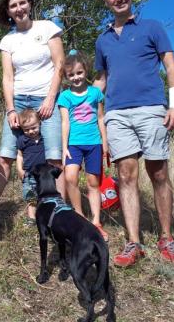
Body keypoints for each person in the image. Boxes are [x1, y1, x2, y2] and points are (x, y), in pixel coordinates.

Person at [94, 0, 174, 267]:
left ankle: (166, 237)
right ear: (106, 1)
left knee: (158, 173)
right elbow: (101, 80)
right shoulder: (103, 39)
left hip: (151, 109)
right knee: (126, 175)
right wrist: (83, 101)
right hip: (117, 113)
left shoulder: (152, 27)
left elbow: (169, 64)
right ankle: (134, 243)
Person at [0, 0, 65, 229]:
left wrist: (51, 98)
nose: (19, 9)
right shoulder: (8, 40)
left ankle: (58, 212)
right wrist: (10, 110)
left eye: (22, 3)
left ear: (29, 4)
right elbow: (8, 78)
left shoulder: (48, 28)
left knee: (54, 159)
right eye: (13, 6)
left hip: (45, 100)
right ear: (8, 12)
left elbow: (60, 64)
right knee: (5, 156)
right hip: (18, 102)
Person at [57, 52, 109, 241]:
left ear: (85, 71)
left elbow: (101, 118)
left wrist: (105, 142)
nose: (76, 77)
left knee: (93, 183)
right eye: (71, 75)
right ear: (66, 77)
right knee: (70, 178)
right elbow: (65, 123)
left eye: (79, 73)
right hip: (73, 144)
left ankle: (96, 221)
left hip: (94, 143)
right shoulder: (65, 97)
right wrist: (64, 148)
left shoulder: (96, 93)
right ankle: (79, 216)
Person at [15, 109, 46, 225]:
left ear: (40, 123)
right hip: (29, 173)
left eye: (34, 127)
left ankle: (44, 215)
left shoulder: (44, 138)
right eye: (26, 129)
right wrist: (19, 168)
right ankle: (32, 218)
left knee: (44, 195)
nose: (31, 131)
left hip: (44, 173)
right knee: (30, 195)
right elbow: (19, 155)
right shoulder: (22, 140)